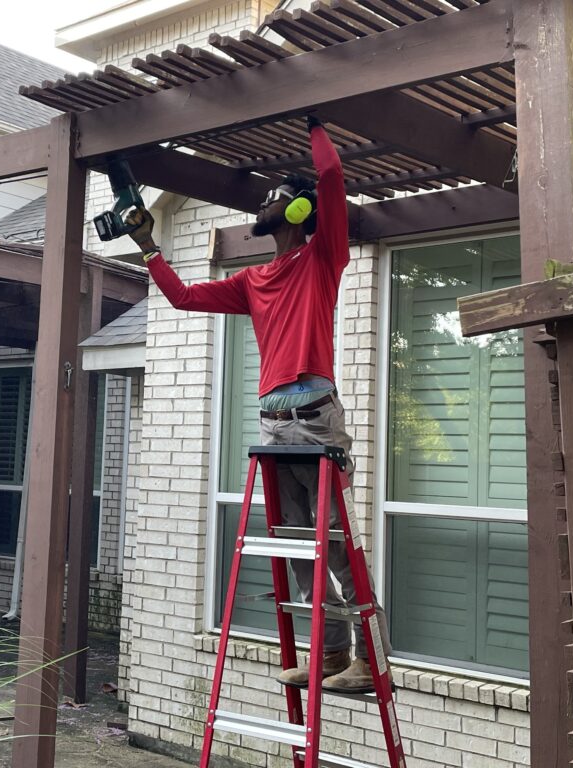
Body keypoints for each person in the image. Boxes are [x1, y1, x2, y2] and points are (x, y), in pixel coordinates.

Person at [125, 115, 389, 693]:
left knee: (338, 546)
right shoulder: (253, 280)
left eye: (275, 197)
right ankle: (329, 655)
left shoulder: (323, 260)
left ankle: (371, 662)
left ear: (297, 211)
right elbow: (182, 297)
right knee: (298, 548)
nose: (262, 203)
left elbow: (332, 177)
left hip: (316, 419)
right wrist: (147, 246)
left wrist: (318, 117)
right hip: (274, 426)